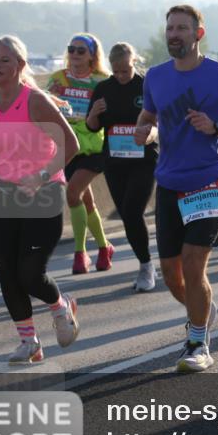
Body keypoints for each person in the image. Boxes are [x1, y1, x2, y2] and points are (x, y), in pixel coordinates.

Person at [135, 4, 218, 373]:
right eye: (170, 28)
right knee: (172, 275)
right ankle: (202, 311)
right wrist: (143, 129)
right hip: (169, 181)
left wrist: (215, 127)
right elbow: (149, 115)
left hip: (208, 178)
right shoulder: (155, 77)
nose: (174, 34)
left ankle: (197, 343)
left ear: (199, 33)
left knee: (195, 265)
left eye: (182, 28)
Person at [0, 35, 81, 364]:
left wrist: (43, 175)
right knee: (6, 271)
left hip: (44, 193)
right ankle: (29, 341)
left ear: (20, 66)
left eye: (5, 60)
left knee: (30, 272)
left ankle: (61, 307)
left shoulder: (35, 102)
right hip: (5, 194)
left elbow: (70, 145)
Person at [86, 42, 158, 292]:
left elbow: (161, 120)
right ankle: (145, 261)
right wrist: (94, 112)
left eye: (125, 71)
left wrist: (149, 132)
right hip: (115, 162)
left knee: (132, 211)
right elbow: (93, 126)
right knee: (127, 215)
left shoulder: (146, 85)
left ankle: (146, 266)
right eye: (116, 72)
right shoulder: (104, 88)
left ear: (134, 62)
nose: (121, 76)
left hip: (144, 160)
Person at [46, 34, 114, 274]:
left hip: (93, 147)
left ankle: (80, 253)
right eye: (71, 49)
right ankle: (105, 248)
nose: (75, 54)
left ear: (92, 55)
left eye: (81, 51)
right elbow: (44, 109)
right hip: (66, 146)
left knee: (73, 193)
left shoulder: (103, 81)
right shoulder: (57, 79)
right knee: (86, 200)